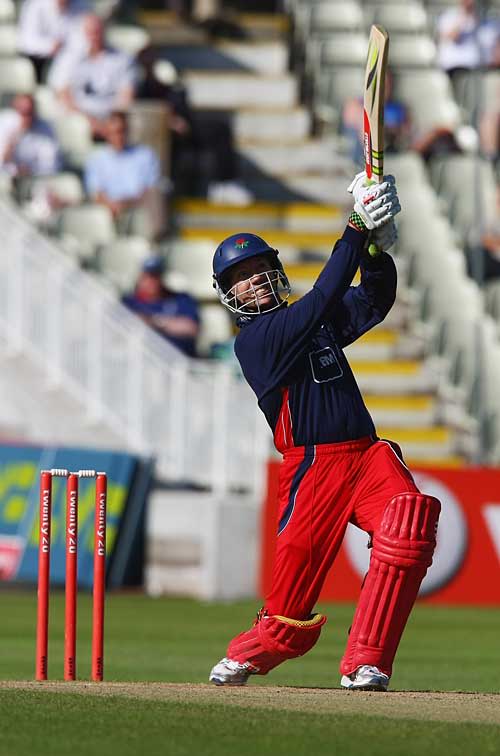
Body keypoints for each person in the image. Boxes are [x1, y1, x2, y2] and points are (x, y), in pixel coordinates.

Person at [208, 171, 441, 690]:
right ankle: (250, 652)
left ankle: (367, 661)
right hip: (312, 469)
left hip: (364, 455)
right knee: (286, 615)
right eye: (241, 276)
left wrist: (378, 249)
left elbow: (372, 301)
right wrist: (356, 223)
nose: (255, 280)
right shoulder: (259, 341)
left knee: (410, 524)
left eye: (261, 268)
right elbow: (327, 292)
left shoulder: (310, 321)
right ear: (228, 294)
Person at [136, 46, 253, 204]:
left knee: (219, 129)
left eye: (153, 57)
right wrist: (166, 121)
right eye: (147, 58)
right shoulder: (136, 83)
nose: (151, 61)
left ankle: (225, 182)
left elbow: (180, 103)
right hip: (155, 132)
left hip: (183, 129)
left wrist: (179, 119)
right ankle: (162, 181)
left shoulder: (166, 76)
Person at [48, 14, 137, 138]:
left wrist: (111, 124)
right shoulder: (68, 59)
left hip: (112, 121)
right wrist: (90, 122)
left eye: (98, 31)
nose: (95, 36)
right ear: (83, 32)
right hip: (79, 121)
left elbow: (126, 96)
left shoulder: (122, 59)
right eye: (91, 32)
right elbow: (63, 94)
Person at [84, 110, 166, 239]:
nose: (118, 136)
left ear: (128, 131)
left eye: (121, 131)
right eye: (114, 132)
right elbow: (96, 193)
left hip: (137, 209)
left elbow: (148, 190)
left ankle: (156, 241)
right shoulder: (96, 159)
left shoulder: (145, 155)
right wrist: (112, 206)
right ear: (107, 133)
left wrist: (125, 204)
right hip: (109, 212)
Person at [122, 255, 200, 356]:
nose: (152, 281)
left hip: (179, 361)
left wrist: (155, 321)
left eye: (156, 276)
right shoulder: (128, 303)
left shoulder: (180, 299)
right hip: (139, 361)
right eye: (148, 276)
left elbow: (191, 328)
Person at [17, 0, 89, 83]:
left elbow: (82, 39)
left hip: (68, 59)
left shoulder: (83, 5)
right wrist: (50, 46)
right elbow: (26, 41)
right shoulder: (34, 5)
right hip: (38, 61)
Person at [0, 93, 62, 177]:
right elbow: (3, 161)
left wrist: (30, 171)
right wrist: (13, 139)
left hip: (36, 176)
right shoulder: (4, 122)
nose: (27, 117)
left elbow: (51, 163)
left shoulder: (46, 128)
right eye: (23, 112)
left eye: (29, 112)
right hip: (7, 176)